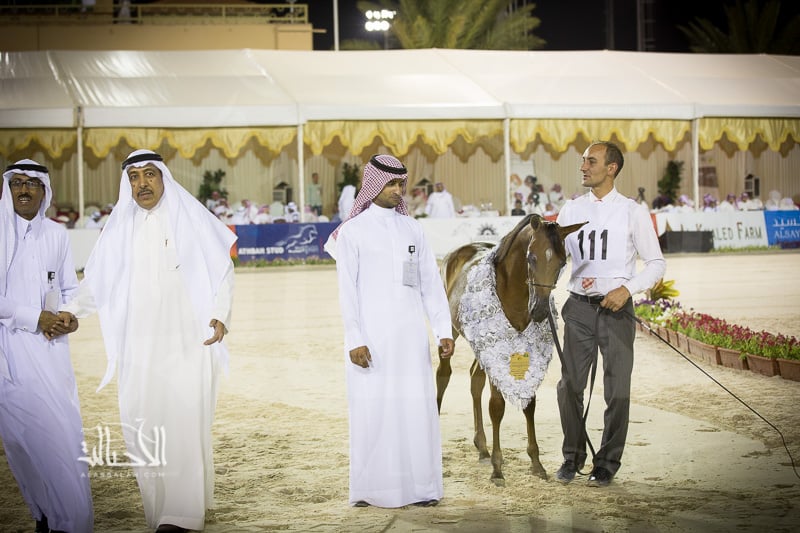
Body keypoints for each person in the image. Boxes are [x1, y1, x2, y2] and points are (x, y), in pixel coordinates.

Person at [63, 149, 237, 533]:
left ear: (162, 177)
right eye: (134, 177)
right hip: (138, 346)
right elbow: (97, 282)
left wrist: (220, 314)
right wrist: (71, 311)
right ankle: (161, 510)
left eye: (149, 175)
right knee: (143, 422)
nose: (142, 183)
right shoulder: (119, 229)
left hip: (189, 341)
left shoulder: (190, 218)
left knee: (184, 421)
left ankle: (182, 514)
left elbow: (222, 269)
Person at [326, 154, 455, 508]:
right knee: (374, 412)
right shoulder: (353, 232)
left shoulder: (413, 229)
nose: (398, 191)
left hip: (411, 338)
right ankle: (371, 489)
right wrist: (355, 339)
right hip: (372, 339)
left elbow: (430, 284)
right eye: (390, 184)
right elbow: (347, 292)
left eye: (401, 184)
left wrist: (442, 330)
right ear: (372, 185)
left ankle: (422, 488)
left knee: (415, 409)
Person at [555, 141, 666, 488]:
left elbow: (656, 263)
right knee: (569, 386)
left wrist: (627, 290)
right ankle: (572, 456)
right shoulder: (570, 210)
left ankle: (606, 462)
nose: (583, 167)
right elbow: (556, 259)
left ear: (611, 168)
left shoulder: (632, 212)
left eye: (591, 161)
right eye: (583, 161)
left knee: (617, 391)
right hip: (578, 308)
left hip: (617, 311)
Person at [0, 160, 93, 533]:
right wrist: (32, 317)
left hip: (52, 352)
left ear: (44, 190)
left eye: (31, 184)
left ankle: (69, 522)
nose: (23, 190)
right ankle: (44, 514)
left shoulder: (56, 234)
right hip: (9, 355)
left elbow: (69, 288)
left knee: (61, 436)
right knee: (21, 444)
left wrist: (70, 314)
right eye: (17, 183)